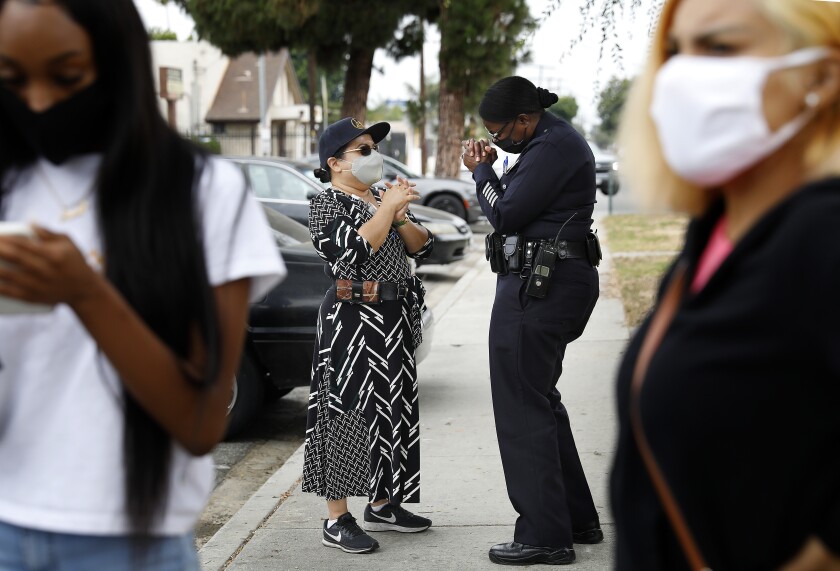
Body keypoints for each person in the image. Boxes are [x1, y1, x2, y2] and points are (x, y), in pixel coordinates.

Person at [0, 0, 285, 569]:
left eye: (67, 76)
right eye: (10, 79)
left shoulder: (200, 193)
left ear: (118, 62)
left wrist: (86, 292)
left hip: (130, 544)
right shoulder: (10, 182)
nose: (36, 101)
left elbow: (201, 422)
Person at [610, 0, 840, 569]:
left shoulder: (823, 234)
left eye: (720, 48)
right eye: (674, 51)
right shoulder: (711, 236)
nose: (682, 76)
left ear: (822, 77)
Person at [462, 77, 604, 566]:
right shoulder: (548, 143)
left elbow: (506, 214)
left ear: (525, 119)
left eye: (498, 130)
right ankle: (575, 520)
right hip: (547, 282)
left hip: (541, 286)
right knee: (539, 400)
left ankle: (545, 535)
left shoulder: (552, 146)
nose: (495, 139)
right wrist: (493, 169)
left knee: (523, 405)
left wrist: (482, 172)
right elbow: (516, 209)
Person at [302, 117, 435, 554]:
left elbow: (421, 245)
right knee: (346, 412)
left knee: (394, 410)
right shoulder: (326, 203)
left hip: (394, 316)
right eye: (363, 149)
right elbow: (353, 252)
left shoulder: (381, 197)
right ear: (335, 162)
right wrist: (386, 211)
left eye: (373, 147)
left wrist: (398, 216)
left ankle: (384, 501)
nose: (372, 155)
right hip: (350, 317)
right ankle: (337, 518)